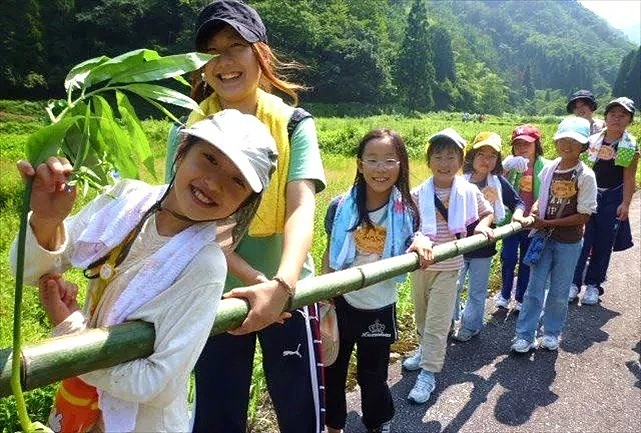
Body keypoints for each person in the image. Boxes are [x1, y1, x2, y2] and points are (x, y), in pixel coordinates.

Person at [9, 110, 278, 432]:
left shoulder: (203, 264)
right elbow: (26, 271)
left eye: (237, 181)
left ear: (247, 200)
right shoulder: (124, 200)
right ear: (182, 151)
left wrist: (69, 331)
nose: (213, 183)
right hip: (80, 408)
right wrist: (46, 220)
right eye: (209, 158)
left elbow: (159, 384)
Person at [164, 2, 327, 432]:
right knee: (217, 415)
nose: (225, 61)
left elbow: (300, 207)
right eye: (212, 51)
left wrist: (281, 286)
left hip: (289, 293)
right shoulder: (188, 133)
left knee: (300, 413)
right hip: (211, 293)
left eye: (237, 46)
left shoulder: (294, 124)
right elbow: (183, 219)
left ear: (261, 54)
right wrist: (255, 280)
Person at [322, 129, 431, 433]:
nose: (380, 169)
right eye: (372, 160)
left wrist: (421, 240)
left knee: (373, 375)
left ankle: (375, 425)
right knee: (333, 369)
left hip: (380, 304)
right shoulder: (340, 205)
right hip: (342, 299)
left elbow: (415, 238)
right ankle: (334, 426)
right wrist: (324, 292)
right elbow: (330, 254)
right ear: (359, 164)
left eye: (388, 161)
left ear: (401, 166)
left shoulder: (406, 209)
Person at [401, 128, 494, 404]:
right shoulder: (417, 194)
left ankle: (428, 373)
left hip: (450, 264)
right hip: (420, 266)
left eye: (451, 157)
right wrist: (418, 239)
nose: (444, 163)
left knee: (439, 321)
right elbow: (410, 227)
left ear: (461, 160)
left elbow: (487, 212)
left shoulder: (468, 191)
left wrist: (481, 225)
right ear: (429, 161)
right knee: (422, 315)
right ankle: (423, 349)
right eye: (438, 156)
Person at [511, 117, 598, 353]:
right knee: (533, 288)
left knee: (560, 292)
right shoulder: (550, 168)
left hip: (569, 242)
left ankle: (551, 333)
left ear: (583, 145)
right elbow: (543, 198)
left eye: (574, 141)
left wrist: (548, 222)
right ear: (556, 141)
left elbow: (584, 215)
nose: (567, 145)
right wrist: (536, 212)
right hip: (543, 238)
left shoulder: (585, 175)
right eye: (563, 139)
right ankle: (524, 335)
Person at [452, 132, 529, 342]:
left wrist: (518, 214)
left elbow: (519, 203)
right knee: (453, 287)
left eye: (492, 156)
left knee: (477, 290)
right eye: (482, 154)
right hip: (456, 245)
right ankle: (447, 324)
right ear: (471, 156)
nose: (487, 160)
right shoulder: (458, 181)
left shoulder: (498, 182)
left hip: (483, 248)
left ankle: (470, 327)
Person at [570, 97, 638, 305]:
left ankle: (594, 285)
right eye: (613, 114)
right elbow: (580, 169)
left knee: (604, 242)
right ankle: (573, 283)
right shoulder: (592, 141)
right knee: (582, 239)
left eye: (623, 115)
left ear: (630, 120)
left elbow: (629, 177)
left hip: (613, 196)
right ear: (606, 117)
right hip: (590, 194)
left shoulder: (629, 146)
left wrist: (625, 203)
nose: (617, 119)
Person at [496, 124, 550, 311]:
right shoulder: (510, 164)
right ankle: (504, 294)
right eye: (517, 144)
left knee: (527, 262)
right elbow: (494, 184)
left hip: (532, 223)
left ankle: (520, 298)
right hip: (511, 222)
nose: (522, 148)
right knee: (508, 258)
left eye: (526, 143)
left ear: (537, 144)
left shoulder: (545, 166)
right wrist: (504, 168)